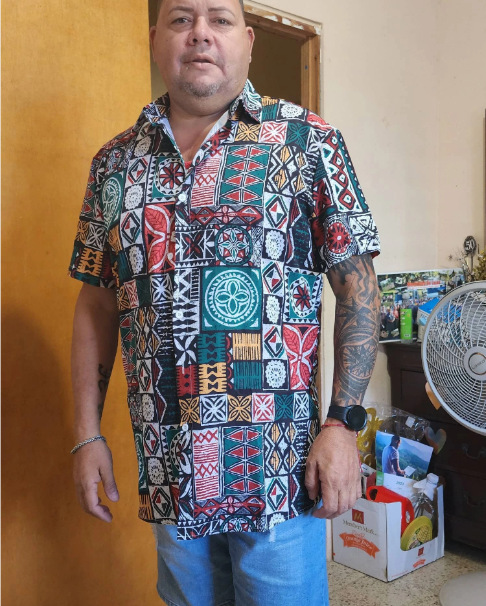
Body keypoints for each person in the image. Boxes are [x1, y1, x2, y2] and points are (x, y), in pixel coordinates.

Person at [69, 0, 381, 604]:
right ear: (155, 38)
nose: (200, 35)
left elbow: (358, 288)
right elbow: (97, 305)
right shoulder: (114, 164)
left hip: (280, 478)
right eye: (181, 19)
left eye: (220, 18)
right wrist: (87, 434)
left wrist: (342, 426)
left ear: (249, 39)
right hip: (170, 475)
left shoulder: (306, 141)